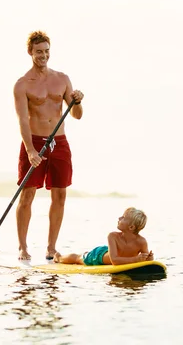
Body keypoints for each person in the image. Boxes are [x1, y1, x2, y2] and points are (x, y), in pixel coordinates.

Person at [13, 30, 84, 261]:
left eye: (46, 51)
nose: (43, 55)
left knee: (60, 195)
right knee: (28, 194)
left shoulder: (62, 79)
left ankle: (51, 248)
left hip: (59, 142)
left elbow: (77, 115)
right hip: (33, 141)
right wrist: (31, 150)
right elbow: (23, 120)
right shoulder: (22, 84)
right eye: (39, 52)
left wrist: (78, 101)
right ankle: (23, 247)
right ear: (30, 53)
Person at [53, 207, 154, 266]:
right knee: (78, 258)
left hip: (111, 252)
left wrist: (149, 258)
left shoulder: (141, 242)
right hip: (98, 256)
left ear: (131, 227)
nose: (119, 218)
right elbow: (114, 261)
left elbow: (145, 261)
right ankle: (59, 258)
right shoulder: (113, 236)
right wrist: (135, 259)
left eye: (123, 217)